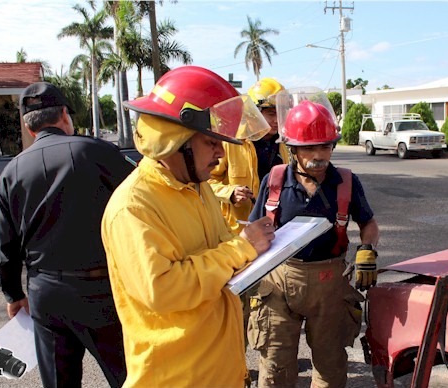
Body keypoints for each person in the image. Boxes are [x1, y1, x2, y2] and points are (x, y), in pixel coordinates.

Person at [100, 66, 276, 388]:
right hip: (178, 378)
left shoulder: (198, 186)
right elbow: (164, 290)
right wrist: (242, 247)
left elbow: (219, 253)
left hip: (218, 371)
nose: (221, 153)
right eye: (211, 142)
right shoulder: (134, 207)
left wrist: (260, 248)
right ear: (174, 140)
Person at [0, 82, 132, 387]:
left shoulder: (12, 172)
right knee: (130, 377)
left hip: (47, 294)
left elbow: (6, 246)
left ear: (30, 129)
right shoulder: (98, 152)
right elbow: (141, 204)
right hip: (103, 289)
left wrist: (14, 294)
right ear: (65, 116)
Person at [247, 92, 380, 388]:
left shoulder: (346, 182)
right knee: (275, 369)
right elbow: (255, 230)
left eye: (326, 146)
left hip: (329, 283)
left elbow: (368, 223)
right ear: (293, 149)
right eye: (309, 149)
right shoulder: (275, 180)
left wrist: (367, 250)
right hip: (279, 282)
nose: (319, 156)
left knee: (330, 366)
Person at [209, 77, 290, 235]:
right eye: (271, 114)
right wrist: (230, 193)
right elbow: (205, 182)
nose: (277, 121)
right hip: (235, 232)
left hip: (270, 229)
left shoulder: (282, 146)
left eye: (280, 114)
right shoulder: (231, 142)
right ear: (254, 113)